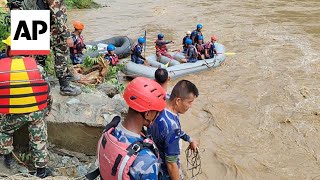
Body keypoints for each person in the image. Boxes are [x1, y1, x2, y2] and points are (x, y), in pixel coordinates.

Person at [0, 36, 52, 178]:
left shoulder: (1, 68)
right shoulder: (38, 67)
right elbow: (46, 91)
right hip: (34, 112)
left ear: (10, 50)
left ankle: (7, 158)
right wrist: (47, 109)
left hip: (12, 113)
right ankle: (41, 171)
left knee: (4, 130)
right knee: (39, 137)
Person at [96, 77, 166, 179]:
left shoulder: (110, 131)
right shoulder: (147, 159)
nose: (158, 115)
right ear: (147, 114)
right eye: (157, 112)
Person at [8, 0, 82, 96]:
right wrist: (67, 36)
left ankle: (38, 84)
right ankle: (64, 86)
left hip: (37, 25)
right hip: (53, 31)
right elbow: (58, 15)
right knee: (61, 56)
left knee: (39, 57)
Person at [148, 80, 200, 180]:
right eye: (189, 102)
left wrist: (189, 139)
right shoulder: (172, 128)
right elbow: (171, 165)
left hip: (153, 152)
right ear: (178, 101)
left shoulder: (163, 100)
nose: (191, 106)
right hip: (163, 171)